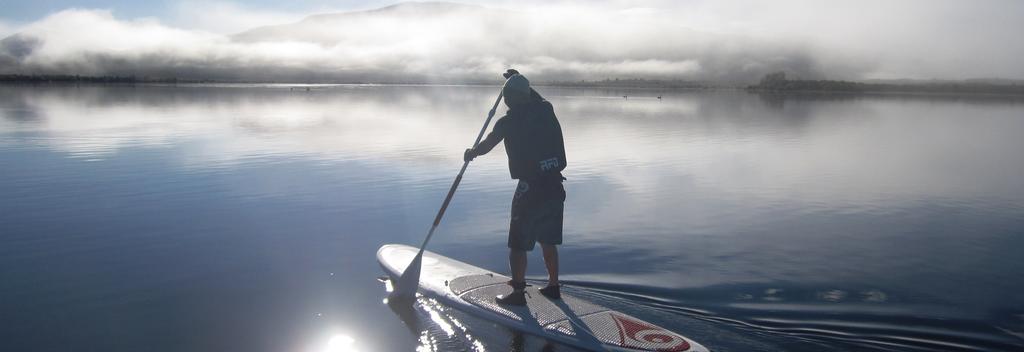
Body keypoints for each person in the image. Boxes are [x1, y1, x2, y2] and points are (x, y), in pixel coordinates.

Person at [464, 69, 567, 305]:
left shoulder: (507, 122)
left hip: (530, 189)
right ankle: (553, 286)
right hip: (554, 186)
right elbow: (536, 98)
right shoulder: (546, 110)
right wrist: (521, 80)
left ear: (509, 99)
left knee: (518, 243)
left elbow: (488, 144)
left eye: (508, 96)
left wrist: (472, 153)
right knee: (548, 239)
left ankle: (518, 293)